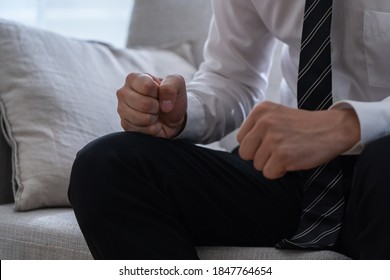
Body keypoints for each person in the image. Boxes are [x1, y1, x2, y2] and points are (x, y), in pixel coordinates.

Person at [68, 0, 390, 260]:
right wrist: (180, 113)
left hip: (378, 168)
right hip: (293, 172)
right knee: (107, 165)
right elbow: (233, 77)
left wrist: (350, 124)